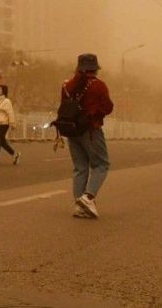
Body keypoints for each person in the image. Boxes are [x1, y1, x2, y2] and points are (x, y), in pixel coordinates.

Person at [64, 53, 114, 219]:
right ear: (95, 69)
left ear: (78, 68)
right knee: (101, 164)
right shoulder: (98, 85)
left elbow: (64, 106)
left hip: (72, 131)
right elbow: (108, 107)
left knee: (80, 167)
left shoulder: (67, 85)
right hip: (91, 130)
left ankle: (79, 207)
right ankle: (88, 197)